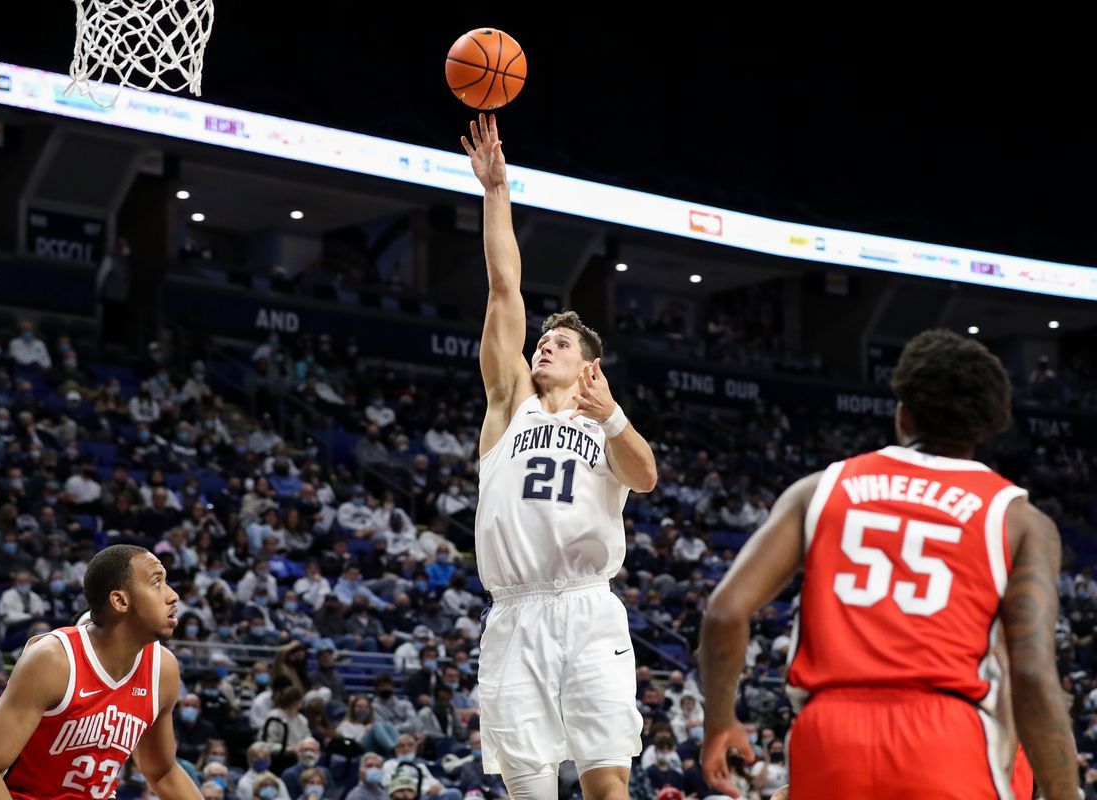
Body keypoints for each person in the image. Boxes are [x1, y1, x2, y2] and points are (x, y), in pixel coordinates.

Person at [698, 330, 1079, 800]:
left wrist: (720, 723)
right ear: (988, 428)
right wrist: (1067, 792)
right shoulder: (1020, 520)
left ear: (902, 414)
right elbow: (1034, 675)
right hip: (947, 734)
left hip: (829, 733)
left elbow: (724, 612)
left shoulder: (819, 490)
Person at [461, 113, 657, 800]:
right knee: (531, 792)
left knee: (607, 785)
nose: (546, 345)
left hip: (586, 606)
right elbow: (505, 289)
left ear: (591, 366)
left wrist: (616, 419)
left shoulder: (608, 425)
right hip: (512, 611)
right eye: (543, 341)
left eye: (562, 344)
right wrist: (495, 191)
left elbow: (647, 477)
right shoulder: (509, 400)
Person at [0, 544, 203, 800]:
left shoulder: (163, 669)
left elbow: (162, 772)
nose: (173, 595)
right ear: (120, 600)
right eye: (157, 583)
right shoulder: (54, 659)